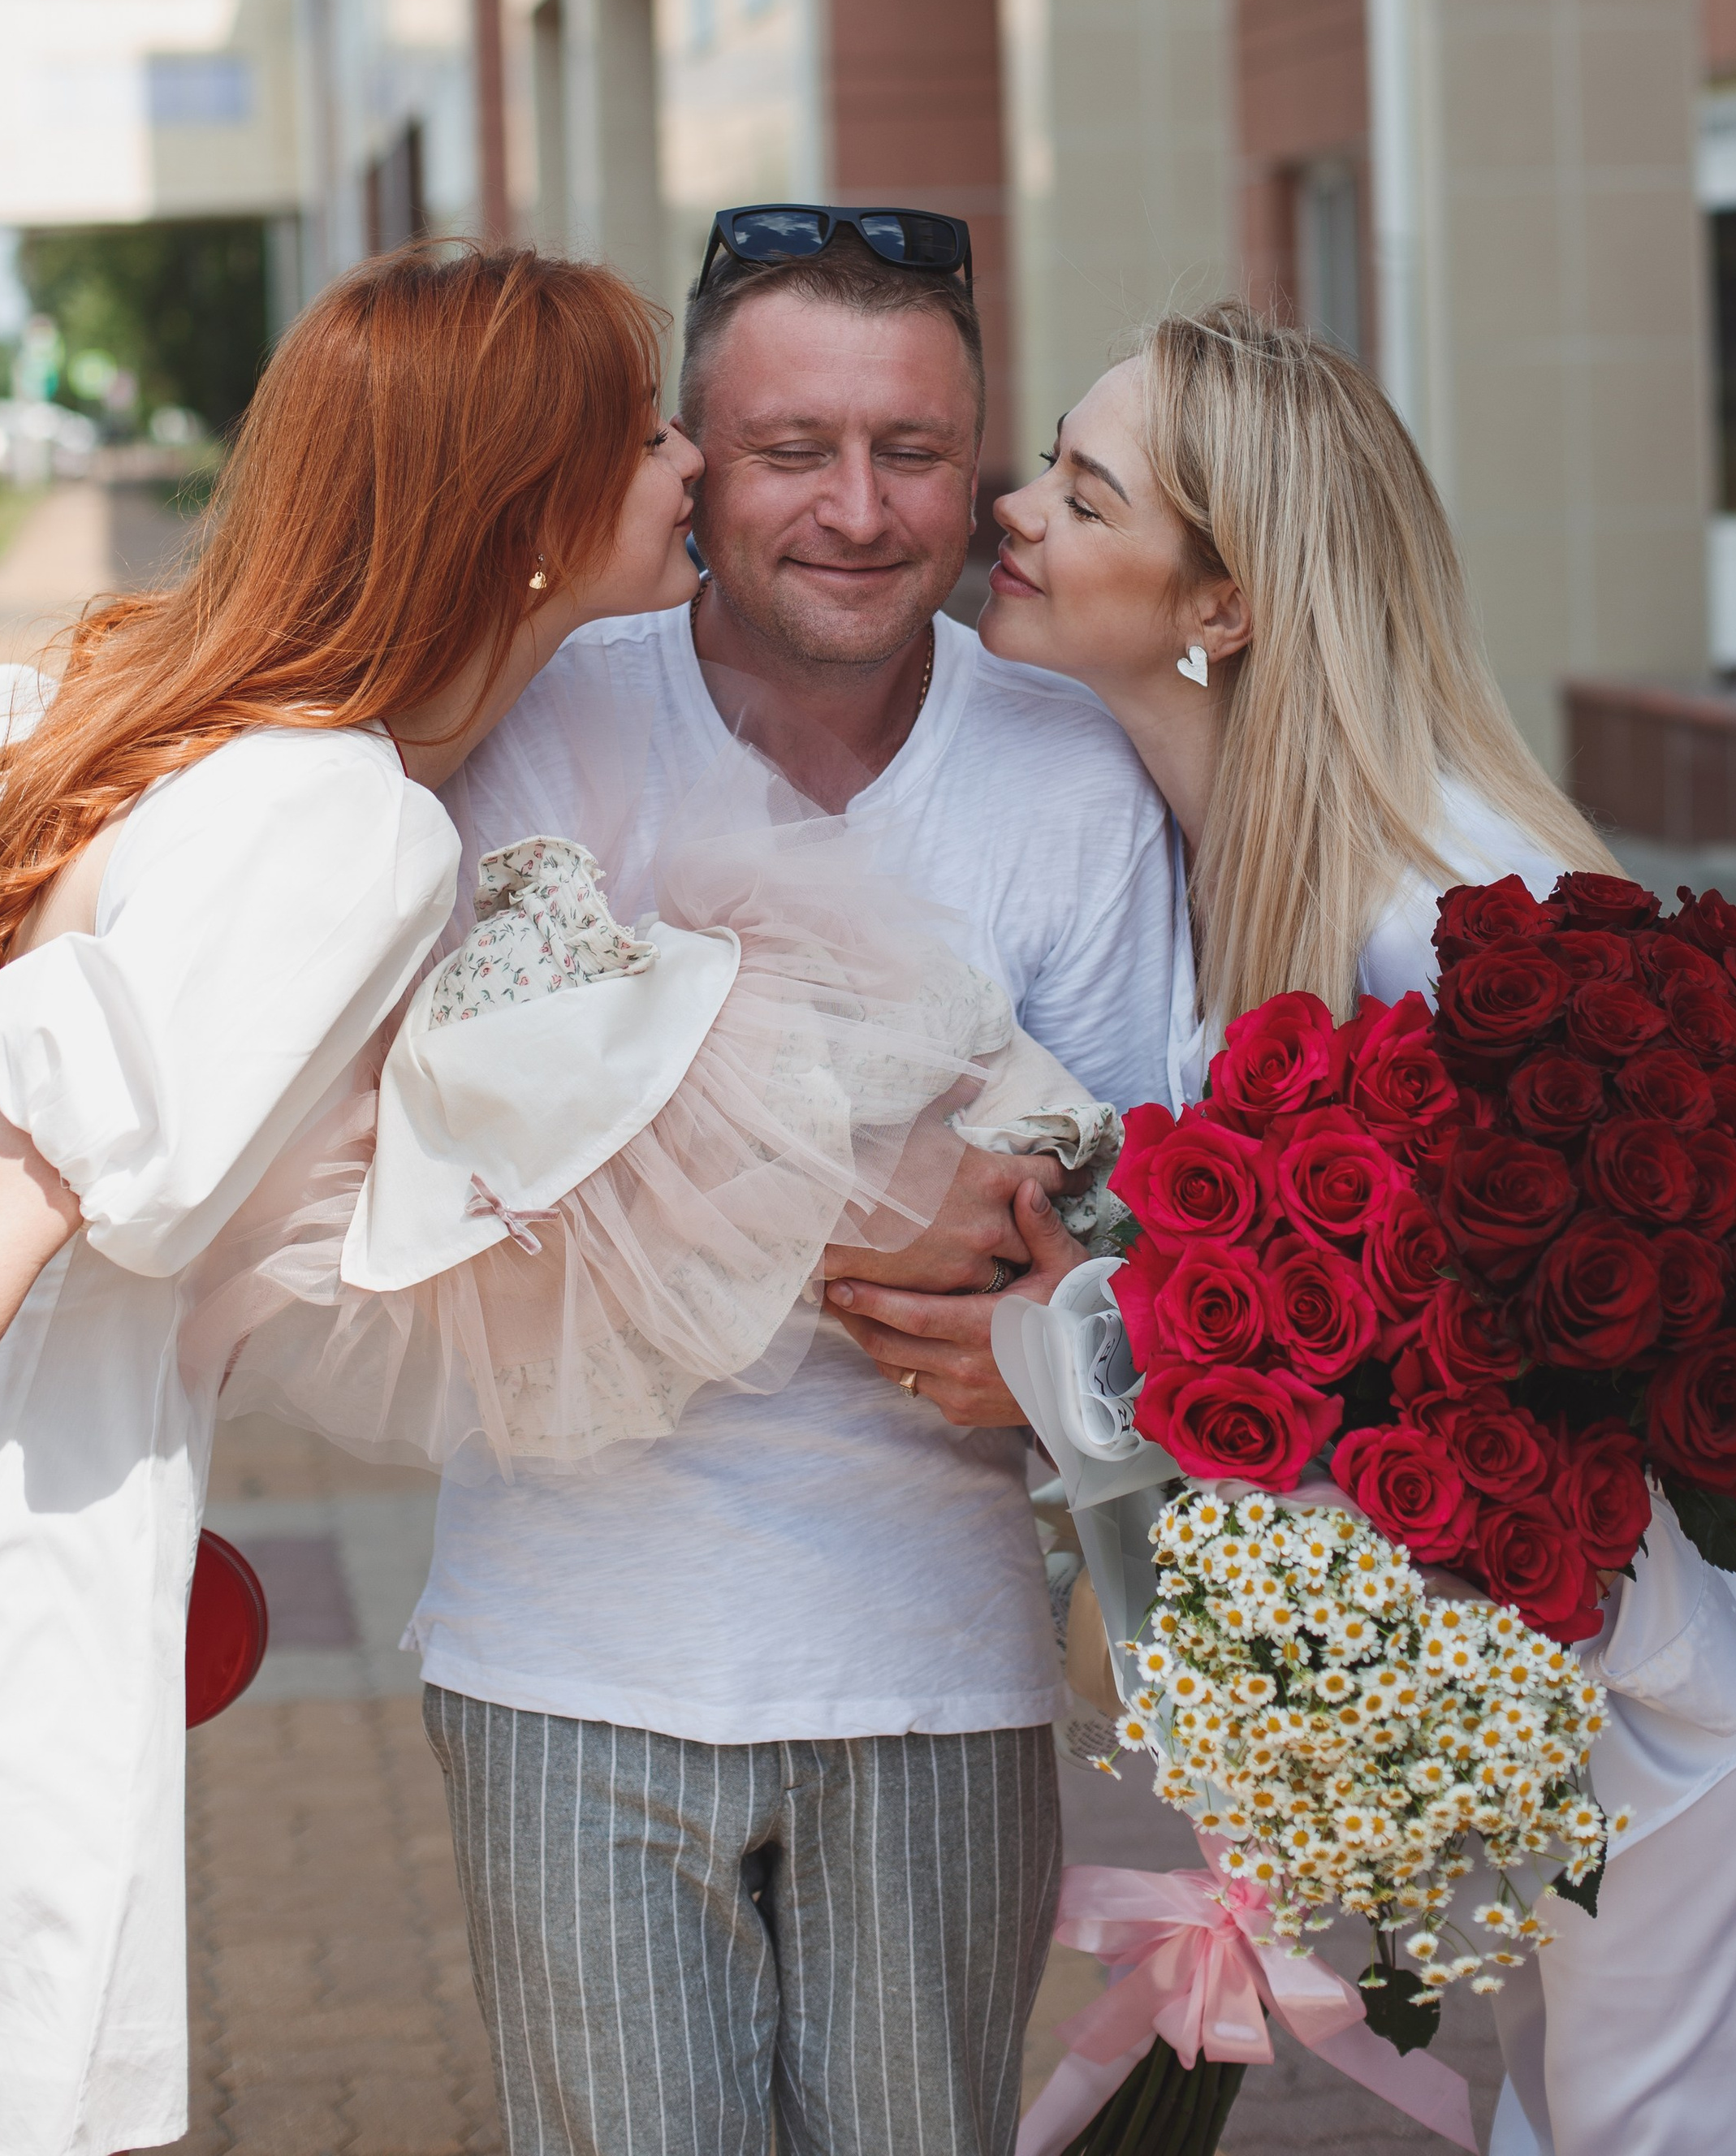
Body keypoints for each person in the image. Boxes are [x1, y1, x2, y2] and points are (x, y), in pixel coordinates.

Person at [955, 298, 1736, 2156]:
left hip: (1732, 1663)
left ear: (1218, 604)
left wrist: (1089, 1362)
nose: (1016, 509)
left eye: (1080, 492)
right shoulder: (1231, 852)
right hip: (1593, 1652)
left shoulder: (1454, 905)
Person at [0, 246, 706, 2156]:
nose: (693, 462)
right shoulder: (340, 823)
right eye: (646, 434)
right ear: (526, 515)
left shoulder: (110, 685)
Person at [418, 204, 1183, 2156]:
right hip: (567, 1653)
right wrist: (878, 1208)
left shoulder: (1064, 773)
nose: (855, 509)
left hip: (931, 1664)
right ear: (690, 461)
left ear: (976, 463)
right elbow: (452, 1169)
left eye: (910, 453)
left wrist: (1023, 1312)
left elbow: (1120, 1226)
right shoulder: (540, 715)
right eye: (788, 452)